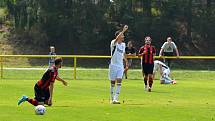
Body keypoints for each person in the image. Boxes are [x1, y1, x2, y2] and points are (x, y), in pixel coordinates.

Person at [109, 25, 128, 104]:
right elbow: (116, 40)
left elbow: (123, 54)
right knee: (112, 82)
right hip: (113, 65)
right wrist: (123, 30)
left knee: (119, 81)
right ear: (118, 36)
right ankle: (112, 98)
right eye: (122, 35)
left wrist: (126, 62)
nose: (123, 37)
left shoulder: (123, 45)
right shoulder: (113, 43)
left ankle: (116, 99)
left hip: (120, 66)